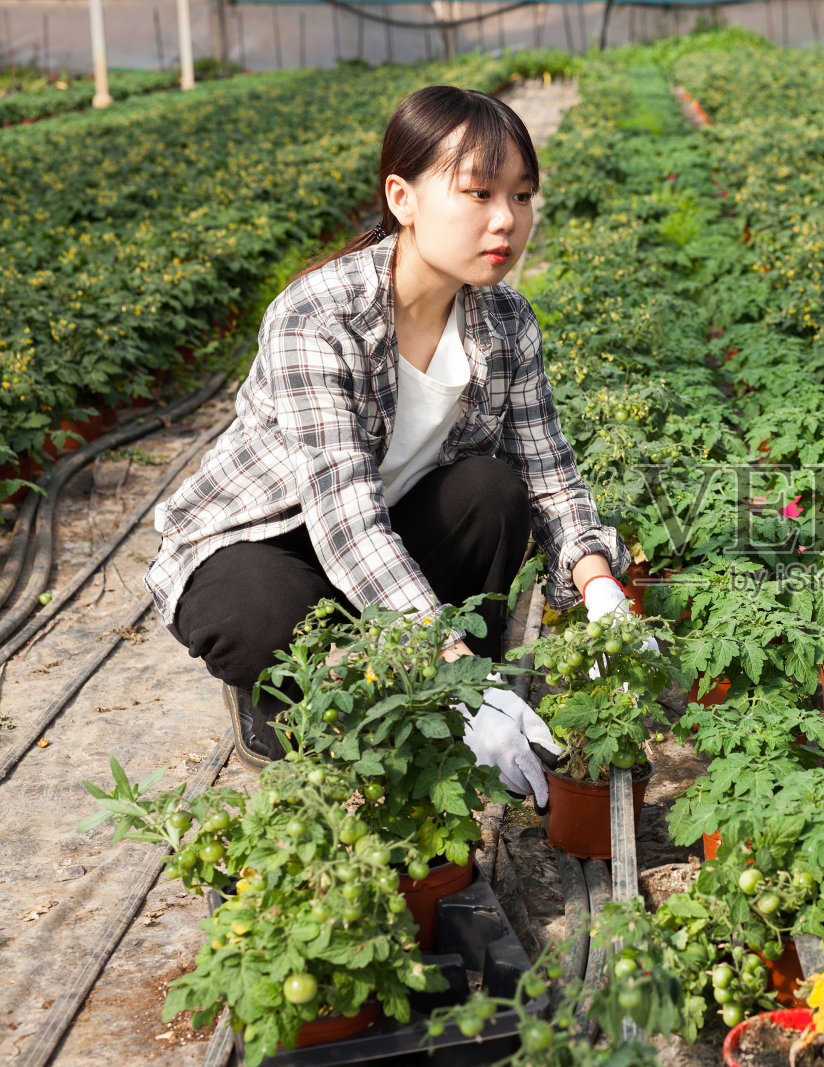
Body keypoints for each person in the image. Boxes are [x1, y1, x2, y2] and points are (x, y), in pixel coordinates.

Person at [144, 85, 643, 809]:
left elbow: (547, 470)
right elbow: (344, 516)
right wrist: (449, 668)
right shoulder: (319, 315)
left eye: (522, 195)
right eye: (479, 193)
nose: (506, 219)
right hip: (267, 542)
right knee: (267, 614)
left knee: (492, 492)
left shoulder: (505, 320)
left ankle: (454, 699)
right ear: (402, 198)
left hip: (387, 535)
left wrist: (600, 588)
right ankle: (291, 703)